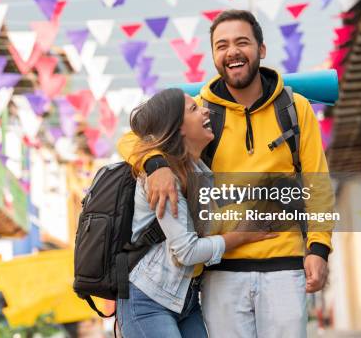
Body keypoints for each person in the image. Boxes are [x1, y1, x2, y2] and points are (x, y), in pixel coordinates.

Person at [118, 9, 334, 338]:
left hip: (285, 265)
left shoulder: (294, 108)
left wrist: (318, 249)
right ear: (215, 57)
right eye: (222, 45)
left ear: (261, 51)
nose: (232, 51)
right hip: (221, 272)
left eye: (242, 42)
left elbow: (317, 186)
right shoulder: (202, 110)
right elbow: (132, 137)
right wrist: (155, 165)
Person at [117, 88, 277, 338]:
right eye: (193, 109)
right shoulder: (163, 178)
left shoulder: (200, 171)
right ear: (176, 128)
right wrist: (242, 237)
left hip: (185, 299)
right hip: (148, 299)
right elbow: (187, 251)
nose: (205, 110)